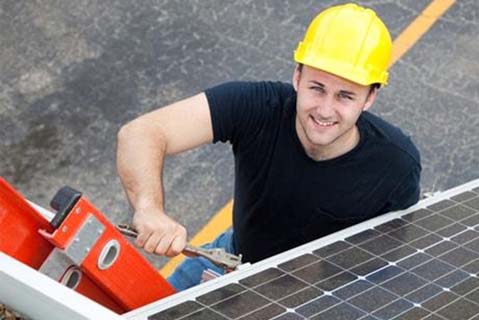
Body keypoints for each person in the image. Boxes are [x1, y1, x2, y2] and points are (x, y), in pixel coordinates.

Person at [116, 3, 421, 291]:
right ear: (297, 77)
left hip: (313, 297)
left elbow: (382, 267)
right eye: (317, 88)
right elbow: (141, 133)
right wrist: (149, 208)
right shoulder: (258, 107)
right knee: (147, 309)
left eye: (345, 96)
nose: (325, 110)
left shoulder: (396, 167)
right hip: (231, 259)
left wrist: (317, 274)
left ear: (369, 98)